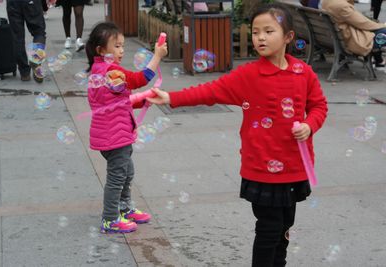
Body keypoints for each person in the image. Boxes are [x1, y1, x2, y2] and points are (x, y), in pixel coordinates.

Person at [148, 3, 328, 266]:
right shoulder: (248, 75)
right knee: (269, 228)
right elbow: (210, 91)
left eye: (269, 31)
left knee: (284, 228)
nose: (261, 37)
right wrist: (171, 97)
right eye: (256, 32)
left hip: (295, 167)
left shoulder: (304, 73)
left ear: (288, 37)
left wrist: (310, 125)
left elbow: (319, 106)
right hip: (262, 169)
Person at [85, 22, 167, 233]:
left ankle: (124, 207)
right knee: (117, 178)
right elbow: (139, 79)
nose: (122, 50)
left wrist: (141, 101)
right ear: (101, 50)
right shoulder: (111, 71)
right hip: (114, 137)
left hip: (115, 134)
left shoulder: (99, 69)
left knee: (127, 173)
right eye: (117, 46)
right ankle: (110, 218)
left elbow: (117, 100)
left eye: (123, 46)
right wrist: (157, 56)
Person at [322, 0, 386, 67]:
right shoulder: (342, 6)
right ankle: (377, 57)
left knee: (378, 33)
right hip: (349, 41)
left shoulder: (327, 1)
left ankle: (378, 59)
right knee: (383, 33)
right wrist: (383, 25)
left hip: (335, 37)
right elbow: (363, 23)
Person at [6, 0, 46, 82]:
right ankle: (36, 61)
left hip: (13, 3)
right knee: (39, 32)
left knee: (17, 37)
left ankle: (24, 73)